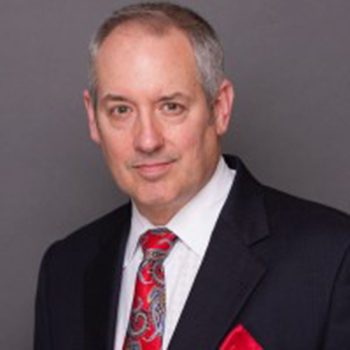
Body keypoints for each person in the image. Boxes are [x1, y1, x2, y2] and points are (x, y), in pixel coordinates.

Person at [34, 2, 350, 350]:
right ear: (93, 119)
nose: (147, 140)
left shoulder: (331, 259)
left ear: (220, 108)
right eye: (121, 110)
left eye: (171, 106)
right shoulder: (64, 270)